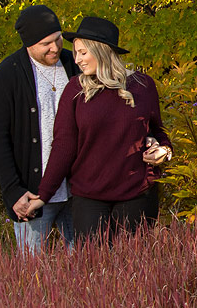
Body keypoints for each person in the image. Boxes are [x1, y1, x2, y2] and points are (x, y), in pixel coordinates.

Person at [18, 16, 172, 243]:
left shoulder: (143, 86)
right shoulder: (75, 90)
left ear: (101, 51)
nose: (76, 59)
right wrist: (43, 195)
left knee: (134, 270)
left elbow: (158, 132)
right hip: (89, 198)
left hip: (137, 194)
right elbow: (63, 146)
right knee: (94, 268)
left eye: (82, 52)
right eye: (76, 52)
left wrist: (164, 151)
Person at [0, 4, 78, 253]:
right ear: (28, 44)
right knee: (33, 276)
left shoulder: (75, 64)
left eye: (58, 39)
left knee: (88, 269)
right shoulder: (6, 76)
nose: (55, 47)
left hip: (79, 191)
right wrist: (13, 191)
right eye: (46, 43)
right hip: (32, 197)